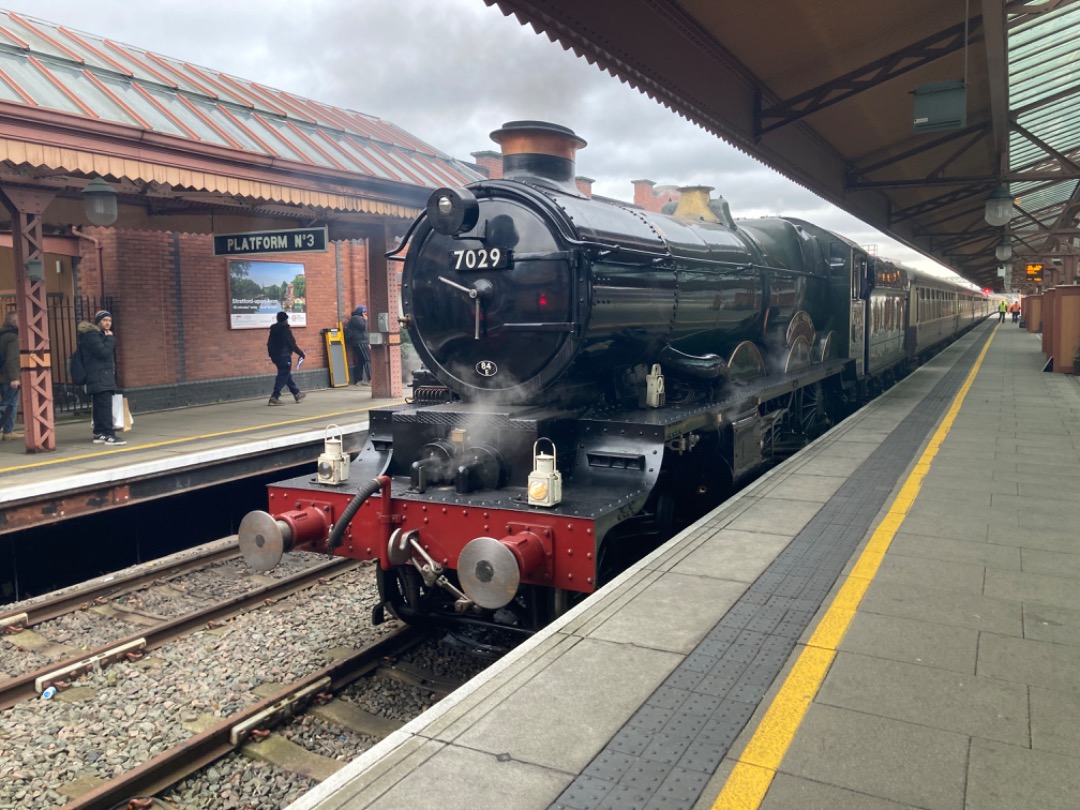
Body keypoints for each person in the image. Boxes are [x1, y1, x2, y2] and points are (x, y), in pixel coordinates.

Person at [78, 310, 126, 446]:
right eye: (104, 320)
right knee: (105, 406)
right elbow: (103, 353)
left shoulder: (97, 335)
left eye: (109, 320)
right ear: (98, 321)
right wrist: (110, 339)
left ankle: (99, 433)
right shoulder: (92, 335)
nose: (107, 323)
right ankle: (108, 434)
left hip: (101, 376)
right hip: (99, 376)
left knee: (100, 405)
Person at [267, 311, 306, 405]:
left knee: (286, 374)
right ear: (285, 320)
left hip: (276, 356)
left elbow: (269, 344)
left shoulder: (273, 330)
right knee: (283, 375)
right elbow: (291, 344)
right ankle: (274, 397)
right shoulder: (285, 330)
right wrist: (301, 353)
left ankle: (297, 393)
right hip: (284, 356)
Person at [0, 311, 21, 441]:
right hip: (8, 376)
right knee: (10, 403)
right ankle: (8, 431)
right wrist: (15, 378)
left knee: (5, 402)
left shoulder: (1, 334)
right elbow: (12, 359)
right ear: (14, 322)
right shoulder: (13, 337)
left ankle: (8, 431)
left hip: (1, 375)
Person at [345, 305, 371, 386]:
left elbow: (365, 332)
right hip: (360, 342)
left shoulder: (358, 318)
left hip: (363, 342)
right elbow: (363, 327)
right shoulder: (355, 318)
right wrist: (366, 320)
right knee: (367, 359)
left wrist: (368, 342)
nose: (365, 314)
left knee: (361, 361)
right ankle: (371, 379)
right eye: (364, 312)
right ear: (360, 312)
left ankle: (359, 380)